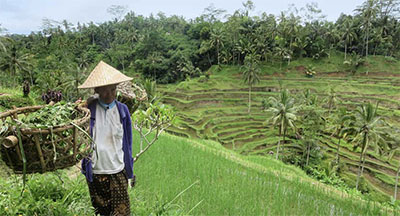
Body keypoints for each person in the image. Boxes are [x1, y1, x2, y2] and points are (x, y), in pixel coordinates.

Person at [78, 61, 134, 216]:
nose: (109, 94)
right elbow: (72, 123)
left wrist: (130, 171)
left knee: (122, 213)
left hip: (118, 171)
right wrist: (81, 105)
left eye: (112, 89)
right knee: (101, 213)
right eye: (104, 91)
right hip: (96, 172)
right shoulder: (89, 110)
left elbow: (128, 143)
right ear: (97, 91)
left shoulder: (123, 111)